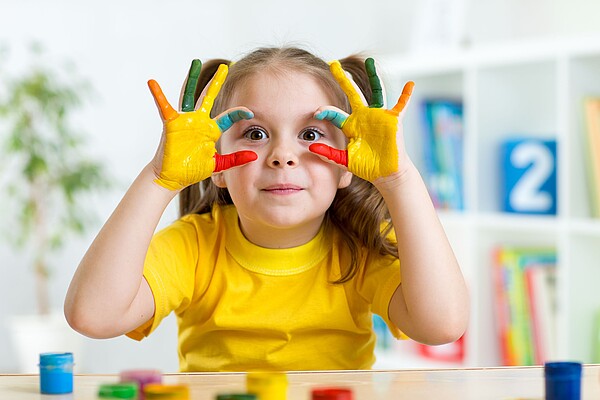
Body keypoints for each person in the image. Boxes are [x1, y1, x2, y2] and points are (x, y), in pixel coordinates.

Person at [64, 46, 469, 372]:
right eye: (255, 134)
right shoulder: (195, 247)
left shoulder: (360, 244)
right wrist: (159, 179)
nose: (281, 156)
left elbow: (442, 325)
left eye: (311, 134)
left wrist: (398, 179)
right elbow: (93, 316)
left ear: (346, 165)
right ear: (216, 164)